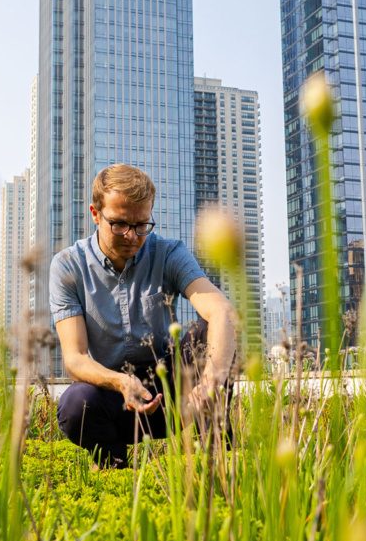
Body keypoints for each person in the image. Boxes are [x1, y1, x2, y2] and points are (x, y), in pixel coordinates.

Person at [51, 164, 237, 468]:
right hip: (116, 398)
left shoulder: (167, 252)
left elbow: (221, 311)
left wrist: (210, 382)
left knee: (209, 332)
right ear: (95, 214)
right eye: (119, 224)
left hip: (175, 394)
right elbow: (76, 358)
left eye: (141, 225)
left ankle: (217, 454)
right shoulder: (68, 266)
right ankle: (114, 464)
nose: (132, 236)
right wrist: (121, 382)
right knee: (76, 404)